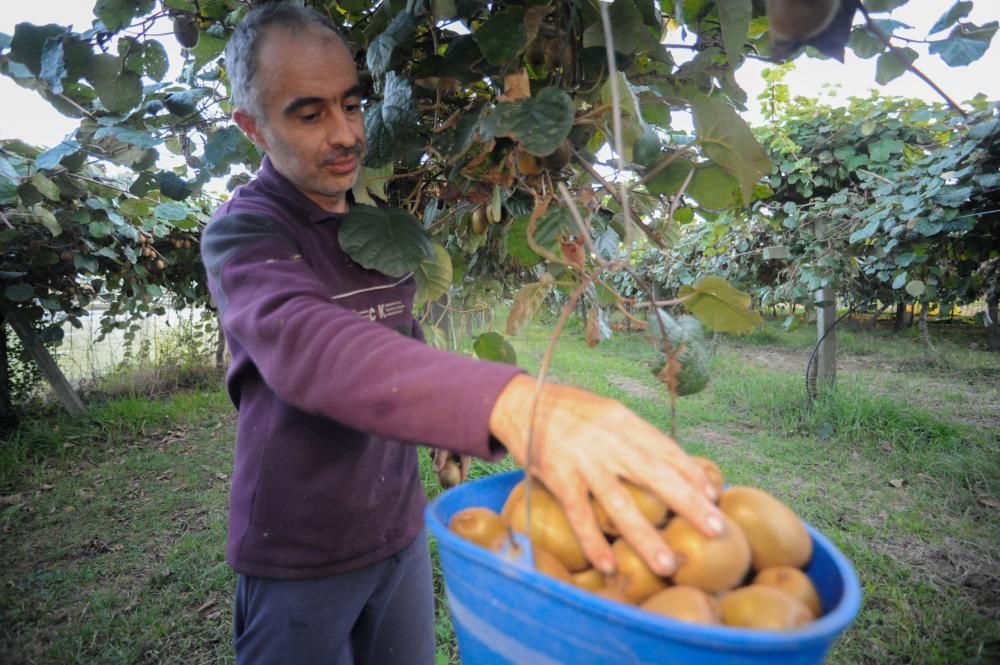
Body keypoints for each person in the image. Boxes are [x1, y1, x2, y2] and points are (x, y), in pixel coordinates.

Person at [200, 4, 726, 664]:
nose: (345, 134)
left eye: (352, 104)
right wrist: (512, 402)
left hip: (398, 529)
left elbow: (398, 335)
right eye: (310, 114)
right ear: (251, 126)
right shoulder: (244, 235)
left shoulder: (379, 225)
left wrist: (442, 427)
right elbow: (308, 345)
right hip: (298, 547)